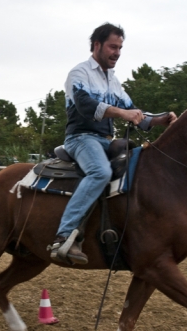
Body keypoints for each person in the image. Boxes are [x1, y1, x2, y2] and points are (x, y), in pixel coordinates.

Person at [48, 22, 177, 265]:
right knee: (100, 171)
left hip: (105, 141)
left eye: (120, 48)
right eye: (112, 46)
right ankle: (64, 235)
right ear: (97, 45)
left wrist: (163, 120)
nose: (117, 52)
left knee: (140, 165)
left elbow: (135, 113)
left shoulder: (113, 81)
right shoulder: (79, 73)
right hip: (81, 138)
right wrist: (121, 114)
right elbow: (85, 106)